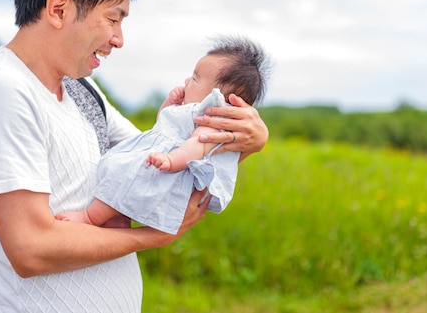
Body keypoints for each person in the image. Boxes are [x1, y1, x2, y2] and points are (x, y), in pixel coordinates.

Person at [0, 0, 269, 313]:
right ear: (59, 9)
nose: (119, 39)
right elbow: (31, 248)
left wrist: (244, 142)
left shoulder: (83, 88)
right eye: (113, 19)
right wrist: (150, 238)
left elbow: (160, 167)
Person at [56, 36, 271, 234]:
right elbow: (163, 126)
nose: (187, 81)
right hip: (164, 162)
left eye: (195, 79)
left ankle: (89, 216)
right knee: (120, 174)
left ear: (217, 97)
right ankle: (117, 218)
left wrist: (171, 160)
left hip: (170, 167)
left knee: (123, 173)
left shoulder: (210, 122)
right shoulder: (191, 114)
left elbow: (197, 145)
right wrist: (170, 104)